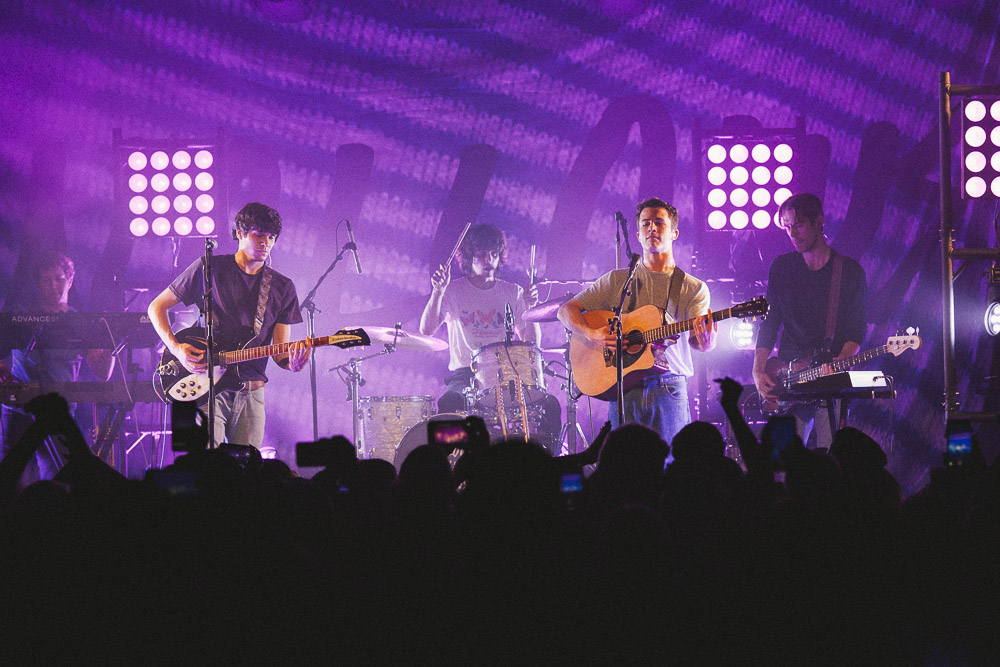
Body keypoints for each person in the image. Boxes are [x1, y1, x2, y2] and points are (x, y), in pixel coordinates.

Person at [147, 202, 311, 449]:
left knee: (246, 473)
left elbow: (280, 353)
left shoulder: (282, 287)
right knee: (204, 467)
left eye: (271, 237)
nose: (265, 242)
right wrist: (178, 349)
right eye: (258, 235)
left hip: (251, 392)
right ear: (239, 233)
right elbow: (156, 307)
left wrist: (292, 364)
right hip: (206, 385)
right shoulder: (209, 268)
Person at [557, 197, 716, 443]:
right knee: (624, 469)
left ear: (674, 233)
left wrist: (706, 342)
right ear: (639, 235)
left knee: (670, 466)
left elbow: (698, 342)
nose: (651, 228)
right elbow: (566, 310)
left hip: (668, 387)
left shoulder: (693, 288)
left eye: (659, 223)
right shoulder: (616, 280)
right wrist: (592, 334)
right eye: (645, 224)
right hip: (624, 387)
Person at [419, 224, 561, 443]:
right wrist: (437, 292)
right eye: (482, 254)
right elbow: (426, 330)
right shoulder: (453, 290)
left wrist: (531, 308)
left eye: (494, 254)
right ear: (469, 257)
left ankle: (545, 462)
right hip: (466, 373)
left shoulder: (513, 292)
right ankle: (455, 463)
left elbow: (531, 343)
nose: (489, 260)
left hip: (507, 374)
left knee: (550, 404)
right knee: (449, 403)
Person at [751, 193, 867, 450]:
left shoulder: (849, 272)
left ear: (819, 222)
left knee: (831, 458)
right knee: (780, 461)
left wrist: (842, 360)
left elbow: (856, 330)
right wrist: (758, 370)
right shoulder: (781, 267)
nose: (793, 233)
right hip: (787, 377)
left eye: (799, 224)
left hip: (828, 380)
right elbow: (769, 323)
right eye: (787, 226)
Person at [0, 251, 115, 483]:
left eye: (59, 278)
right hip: (19, 412)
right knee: (15, 483)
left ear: (70, 281)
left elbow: (103, 374)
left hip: (59, 413)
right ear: (38, 284)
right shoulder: (21, 318)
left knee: (59, 484)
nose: (53, 285)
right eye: (46, 280)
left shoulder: (80, 322)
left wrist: (107, 341)